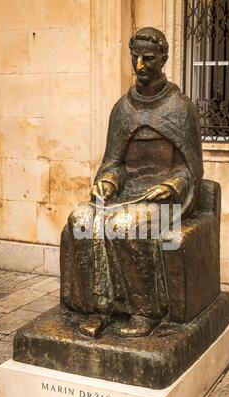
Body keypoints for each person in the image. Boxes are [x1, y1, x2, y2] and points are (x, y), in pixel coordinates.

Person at [60, 27, 203, 338]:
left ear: (164, 58)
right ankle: (98, 308)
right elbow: (113, 163)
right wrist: (108, 182)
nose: (140, 65)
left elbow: (189, 169)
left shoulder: (181, 108)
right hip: (123, 194)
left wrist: (172, 186)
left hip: (162, 198)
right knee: (81, 219)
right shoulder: (122, 109)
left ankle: (144, 311)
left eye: (149, 58)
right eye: (136, 57)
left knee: (126, 226)